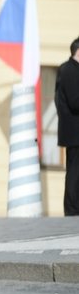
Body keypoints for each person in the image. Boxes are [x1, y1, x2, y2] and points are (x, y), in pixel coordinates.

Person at [55, 37, 79, 216]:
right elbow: (75, 101)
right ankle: (72, 211)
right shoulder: (70, 70)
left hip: (74, 132)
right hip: (75, 133)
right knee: (74, 173)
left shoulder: (71, 70)